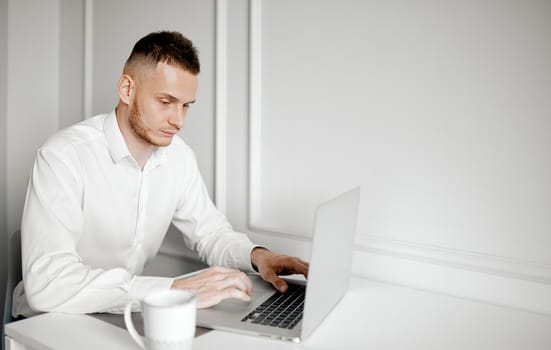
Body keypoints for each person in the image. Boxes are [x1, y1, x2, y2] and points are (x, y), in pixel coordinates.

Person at [12, 31, 308, 317]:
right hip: (47, 322)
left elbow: (211, 233)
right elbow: (46, 285)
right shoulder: (63, 156)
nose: (178, 120)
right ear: (127, 90)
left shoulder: (179, 156)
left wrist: (258, 256)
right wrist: (173, 289)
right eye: (166, 102)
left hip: (120, 314)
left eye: (186, 106)